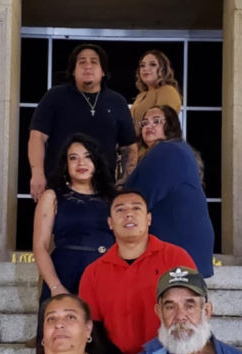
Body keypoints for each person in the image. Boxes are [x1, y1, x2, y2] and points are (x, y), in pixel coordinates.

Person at [78, 190, 196, 354]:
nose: (129, 214)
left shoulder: (176, 258)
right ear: (110, 223)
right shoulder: (93, 272)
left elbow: (193, 312)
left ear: (149, 219)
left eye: (136, 208)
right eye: (120, 210)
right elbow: (92, 327)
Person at [33, 134, 116, 350]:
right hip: (65, 274)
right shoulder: (52, 196)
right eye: (73, 158)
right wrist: (55, 286)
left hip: (104, 277)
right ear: (65, 164)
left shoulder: (113, 197)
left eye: (87, 157)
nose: (81, 163)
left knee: (103, 348)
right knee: (60, 347)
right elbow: (40, 247)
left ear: (96, 162)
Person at [29, 43, 138, 200]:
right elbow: (37, 136)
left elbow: (129, 147)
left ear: (103, 72)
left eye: (94, 62)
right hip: (60, 186)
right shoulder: (55, 97)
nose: (88, 66)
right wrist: (37, 174)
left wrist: (128, 183)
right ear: (73, 71)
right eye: (82, 62)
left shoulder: (117, 101)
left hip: (104, 189)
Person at [125, 105, 215, 278]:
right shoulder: (178, 150)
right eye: (144, 123)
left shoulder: (167, 151)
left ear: (171, 125)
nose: (148, 126)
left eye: (156, 121)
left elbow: (140, 199)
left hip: (175, 244)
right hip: (186, 245)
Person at [130, 50, 182, 140]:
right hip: (137, 149)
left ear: (163, 69)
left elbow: (162, 129)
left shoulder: (167, 91)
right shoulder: (141, 96)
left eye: (152, 64)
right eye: (142, 65)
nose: (145, 68)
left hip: (155, 148)